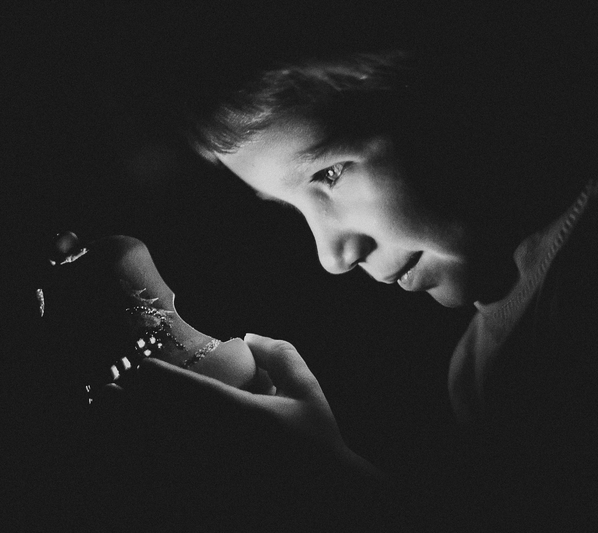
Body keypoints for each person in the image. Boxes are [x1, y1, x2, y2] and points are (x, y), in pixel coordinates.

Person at [103, 51, 598, 531]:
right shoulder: (477, 361)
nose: (333, 256)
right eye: (291, 207)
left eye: (329, 174)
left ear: (451, 91)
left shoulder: (569, 316)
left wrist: (336, 486)